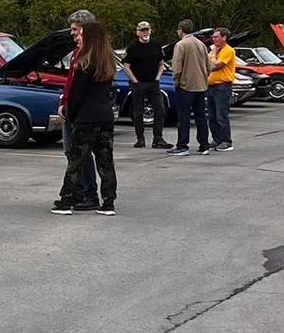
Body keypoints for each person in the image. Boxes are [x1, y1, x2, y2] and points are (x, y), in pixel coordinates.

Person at [51, 19, 118, 215]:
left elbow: (77, 95)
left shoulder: (83, 63)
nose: (78, 37)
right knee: (106, 161)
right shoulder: (107, 63)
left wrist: (70, 114)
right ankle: (108, 203)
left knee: (75, 160)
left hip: (86, 119)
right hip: (105, 117)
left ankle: (66, 199)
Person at [58, 9, 99, 207]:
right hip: (70, 109)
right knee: (70, 152)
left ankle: (90, 194)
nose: (72, 33)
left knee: (82, 154)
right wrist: (63, 103)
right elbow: (70, 83)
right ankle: (77, 190)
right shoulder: (76, 53)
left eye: (75, 29)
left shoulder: (94, 55)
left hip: (83, 113)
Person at [123, 20, 168, 149]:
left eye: (147, 30)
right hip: (139, 83)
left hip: (153, 83)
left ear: (150, 31)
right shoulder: (133, 47)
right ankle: (140, 139)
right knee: (138, 112)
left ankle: (158, 139)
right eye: (142, 30)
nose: (145, 33)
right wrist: (135, 81)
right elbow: (126, 66)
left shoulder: (156, 45)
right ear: (138, 32)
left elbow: (161, 64)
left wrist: (158, 78)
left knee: (160, 110)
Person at [168, 20, 211, 155]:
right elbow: (209, 66)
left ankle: (182, 145)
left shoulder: (181, 45)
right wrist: (204, 78)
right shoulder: (201, 45)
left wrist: (176, 82)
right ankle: (204, 145)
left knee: (183, 117)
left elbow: (177, 67)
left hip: (186, 86)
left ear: (181, 30)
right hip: (201, 86)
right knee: (201, 117)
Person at [206, 27, 237, 151]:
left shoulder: (228, 50)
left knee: (221, 115)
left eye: (216, 36)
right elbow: (206, 63)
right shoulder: (214, 51)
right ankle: (216, 138)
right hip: (211, 86)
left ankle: (226, 140)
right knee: (212, 115)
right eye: (213, 37)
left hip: (222, 87)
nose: (214, 39)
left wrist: (212, 56)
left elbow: (216, 66)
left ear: (224, 37)